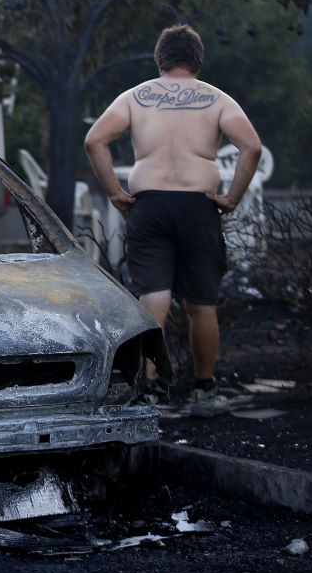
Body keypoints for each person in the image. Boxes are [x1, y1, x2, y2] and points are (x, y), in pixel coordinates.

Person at [84, 23, 262, 418]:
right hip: (199, 206)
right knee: (202, 303)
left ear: (160, 59)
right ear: (197, 59)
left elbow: (95, 140)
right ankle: (204, 391)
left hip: (148, 204)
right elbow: (251, 146)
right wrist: (232, 198)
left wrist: (115, 191)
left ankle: (151, 391)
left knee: (153, 297)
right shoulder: (217, 99)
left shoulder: (134, 97)